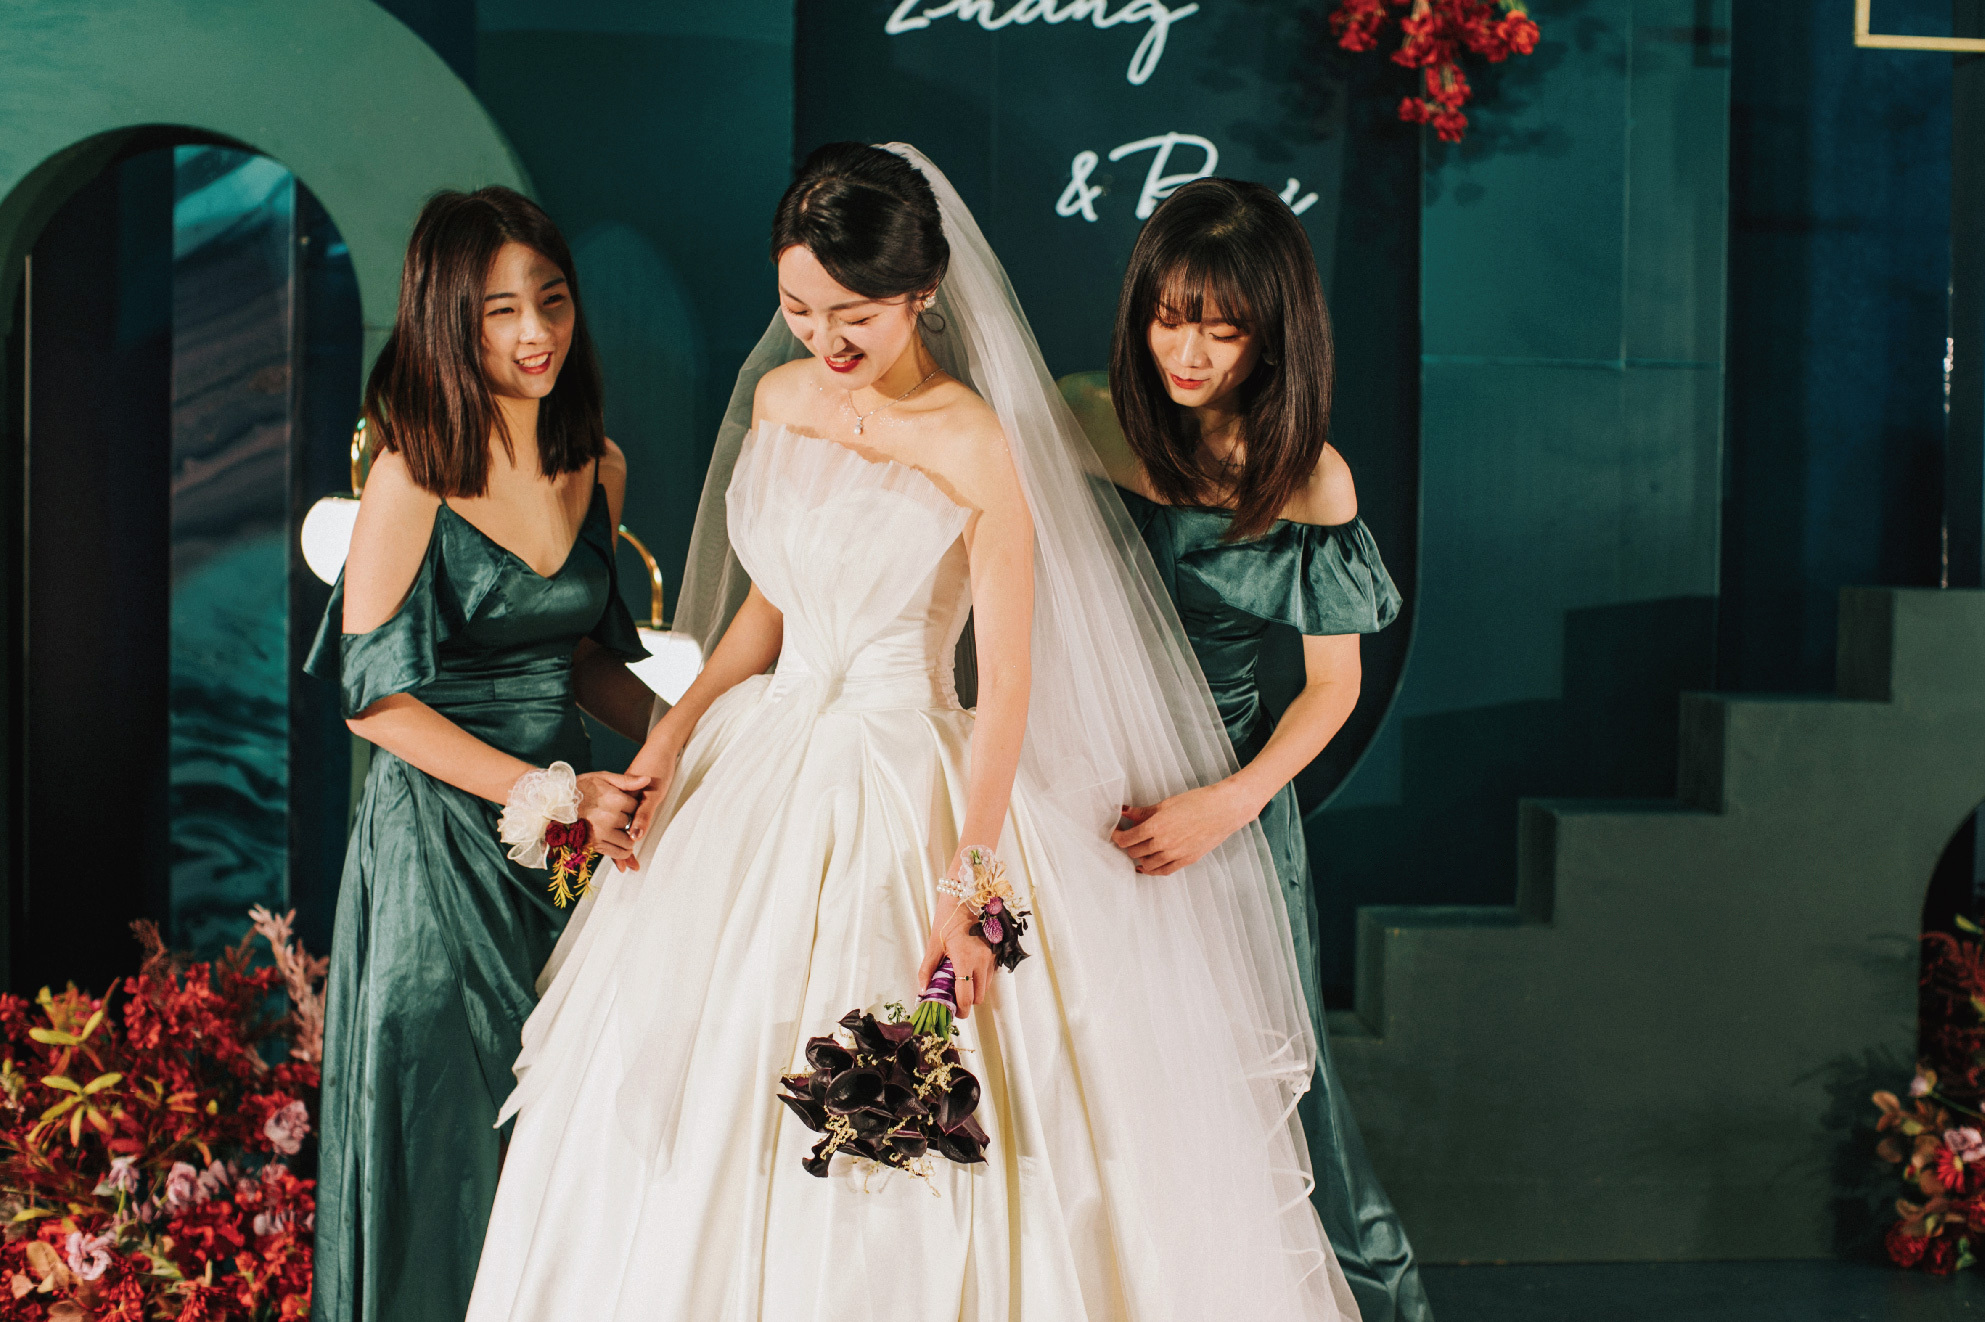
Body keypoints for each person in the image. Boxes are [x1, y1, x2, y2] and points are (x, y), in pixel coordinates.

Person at [465, 143, 1361, 1321]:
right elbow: (766, 612)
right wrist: (671, 735)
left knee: (925, 1104)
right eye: (798, 309)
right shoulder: (782, 399)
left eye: (854, 315)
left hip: (904, 764)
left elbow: (1011, 680)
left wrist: (969, 883)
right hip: (758, 763)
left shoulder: (978, 441)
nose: (822, 340)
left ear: (921, 292)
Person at [1072, 176, 1428, 1322]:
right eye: (1167, 318)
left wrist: (1225, 805)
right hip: (1077, 789)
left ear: (1271, 335)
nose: (1187, 352)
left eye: (1220, 329)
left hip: (1223, 799)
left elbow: (1332, 687)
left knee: (1265, 1077)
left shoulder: (1309, 475)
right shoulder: (1081, 414)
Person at [304, 186, 656, 1322]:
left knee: (574, 1133)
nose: (535, 332)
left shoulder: (597, 463)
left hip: (572, 847)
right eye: (501, 310)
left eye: (551, 300)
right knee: (445, 1137)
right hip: (438, 850)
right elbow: (372, 702)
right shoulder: (411, 472)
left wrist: (696, 736)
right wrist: (547, 790)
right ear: (448, 319)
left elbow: (586, 660)